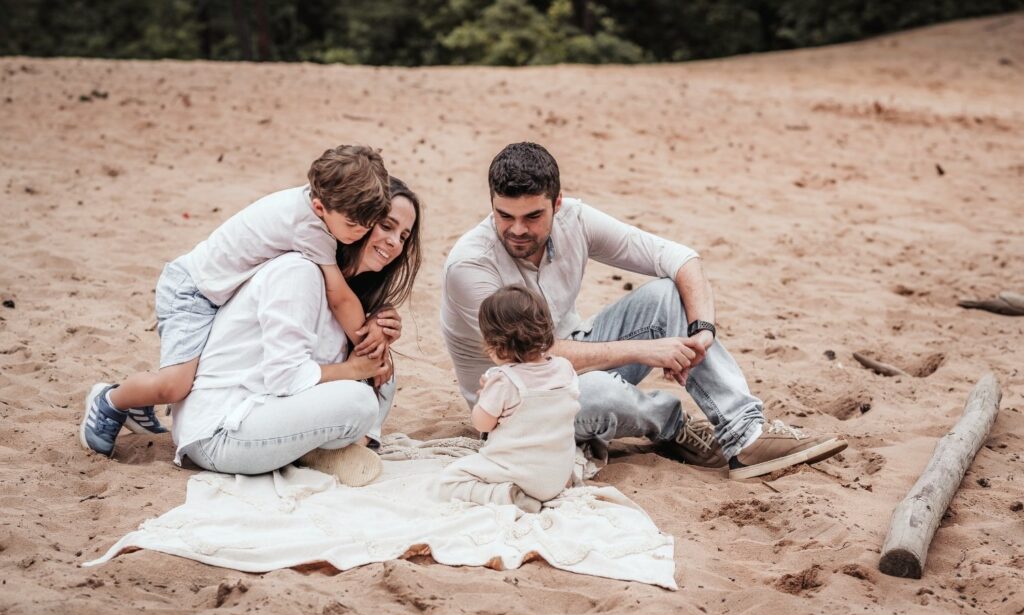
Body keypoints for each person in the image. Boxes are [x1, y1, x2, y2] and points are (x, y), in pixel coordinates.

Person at [441, 142, 847, 480]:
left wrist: (703, 330)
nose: (517, 230)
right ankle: (676, 427)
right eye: (504, 216)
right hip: (516, 403)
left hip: (573, 358)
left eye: (533, 216)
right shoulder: (470, 265)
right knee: (596, 392)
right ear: (491, 204)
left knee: (667, 294)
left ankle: (745, 435)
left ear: (557, 203)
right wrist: (642, 351)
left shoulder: (574, 219)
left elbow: (679, 258)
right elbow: (534, 354)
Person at [80, 144, 392, 458]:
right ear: (320, 208)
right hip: (193, 290)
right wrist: (369, 348)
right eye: (352, 225)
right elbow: (338, 296)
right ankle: (111, 400)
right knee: (174, 385)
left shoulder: (325, 203)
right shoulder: (309, 228)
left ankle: (138, 404)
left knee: (197, 372)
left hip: (219, 291)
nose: (359, 233)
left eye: (367, 226)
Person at [166, 177, 421, 478]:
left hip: (267, 411)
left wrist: (376, 327)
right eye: (386, 226)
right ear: (360, 220)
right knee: (361, 400)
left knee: (382, 369)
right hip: (220, 430)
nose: (395, 242)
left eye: (404, 236)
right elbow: (284, 378)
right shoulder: (299, 273)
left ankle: (331, 448)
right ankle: (316, 451)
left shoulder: (347, 293)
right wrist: (354, 371)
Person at [439, 285, 580, 513]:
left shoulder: (504, 381)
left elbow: (482, 423)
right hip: (557, 475)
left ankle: (506, 495)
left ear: (496, 344)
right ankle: (556, 485)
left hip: (520, 474)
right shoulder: (565, 369)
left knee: (451, 480)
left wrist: (486, 396)